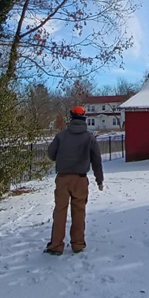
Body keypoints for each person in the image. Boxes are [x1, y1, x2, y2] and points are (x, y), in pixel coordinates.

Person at [44, 106, 104, 255]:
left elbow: (51, 154)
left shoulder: (61, 136)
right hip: (80, 179)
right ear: (84, 117)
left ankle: (56, 245)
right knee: (79, 212)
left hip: (63, 178)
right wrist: (99, 180)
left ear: (71, 118)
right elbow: (96, 160)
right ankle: (77, 244)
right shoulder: (89, 138)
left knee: (60, 211)